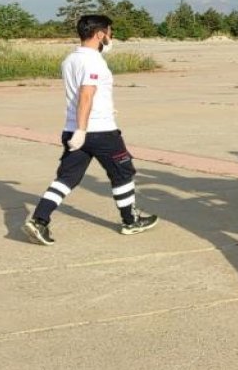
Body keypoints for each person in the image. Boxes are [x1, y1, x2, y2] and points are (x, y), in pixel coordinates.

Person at [22, 14, 158, 245]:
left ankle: (39, 220)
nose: (111, 36)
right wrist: (83, 130)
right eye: (109, 32)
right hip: (99, 131)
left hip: (72, 128)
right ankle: (130, 221)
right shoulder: (93, 62)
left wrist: (79, 128)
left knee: (67, 177)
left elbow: (86, 85)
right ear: (99, 34)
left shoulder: (71, 59)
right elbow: (86, 95)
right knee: (122, 173)